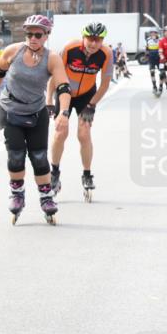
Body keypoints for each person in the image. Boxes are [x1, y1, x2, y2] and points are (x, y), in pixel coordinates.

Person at [0, 14, 71, 225]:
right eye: (29, 34)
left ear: (46, 36)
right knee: (16, 155)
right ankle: (17, 194)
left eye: (37, 35)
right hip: (10, 109)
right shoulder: (13, 51)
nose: (32, 38)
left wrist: (63, 112)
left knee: (39, 156)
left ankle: (46, 198)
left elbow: (63, 87)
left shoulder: (52, 58)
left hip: (36, 111)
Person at [46, 21, 113, 200]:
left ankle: (87, 174)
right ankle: (54, 173)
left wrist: (92, 104)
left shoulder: (106, 54)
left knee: (84, 134)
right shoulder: (70, 48)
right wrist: (49, 101)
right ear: (83, 37)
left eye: (98, 40)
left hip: (86, 95)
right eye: (90, 39)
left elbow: (105, 84)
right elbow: (55, 75)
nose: (93, 44)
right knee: (61, 132)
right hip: (65, 92)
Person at [145, 30, 164, 97]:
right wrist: (146, 55)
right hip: (151, 58)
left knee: (162, 72)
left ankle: (160, 87)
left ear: (156, 34)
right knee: (152, 72)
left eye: (154, 33)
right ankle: (154, 86)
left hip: (158, 58)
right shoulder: (148, 40)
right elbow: (147, 48)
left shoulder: (160, 40)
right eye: (151, 33)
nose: (152, 35)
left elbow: (162, 48)